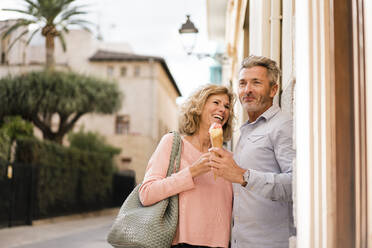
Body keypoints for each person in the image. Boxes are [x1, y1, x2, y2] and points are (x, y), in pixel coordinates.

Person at [210, 55, 296, 248]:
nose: (247, 90)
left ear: (273, 89)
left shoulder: (282, 126)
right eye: (242, 83)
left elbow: (295, 185)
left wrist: (244, 176)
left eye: (256, 83)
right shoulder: (245, 131)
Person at [139, 84, 235, 248]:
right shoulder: (172, 143)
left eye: (226, 106)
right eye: (216, 103)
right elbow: (146, 193)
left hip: (222, 244)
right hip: (182, 243)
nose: (222, 109)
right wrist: (192, 172)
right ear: (198, 107)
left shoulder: (228, 157)